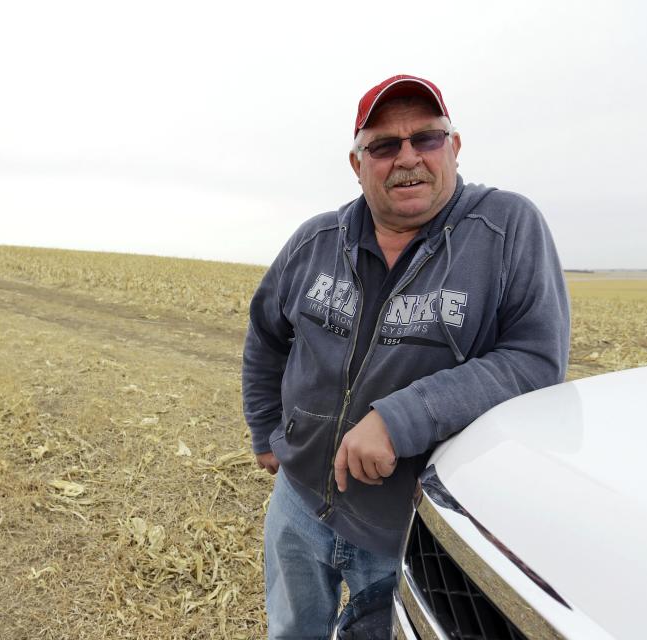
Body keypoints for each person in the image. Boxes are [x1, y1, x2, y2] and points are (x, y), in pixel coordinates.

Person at [242, 74, 570, 639]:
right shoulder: (315, 240)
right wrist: (265, 430)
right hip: (298, 504)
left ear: (456, 146)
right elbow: (265, 337)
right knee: (292, 629)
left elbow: (535, 361)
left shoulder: (506, 229)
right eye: (384, 145)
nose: (407, 158)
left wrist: (401, 419)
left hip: (412, 527)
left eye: (427, 138)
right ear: (357, 163)